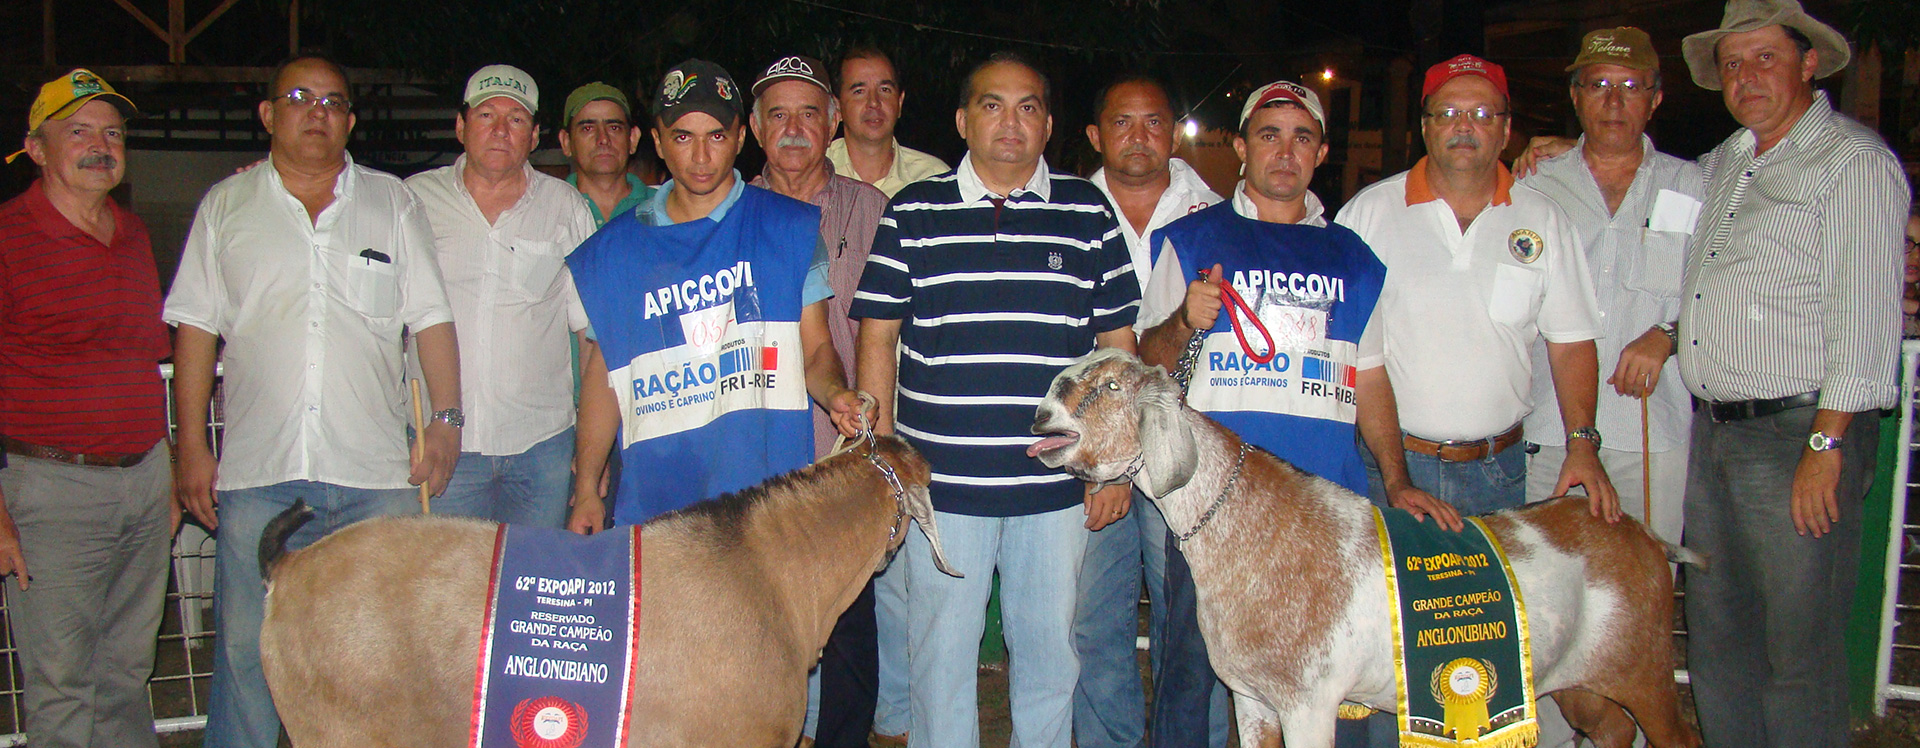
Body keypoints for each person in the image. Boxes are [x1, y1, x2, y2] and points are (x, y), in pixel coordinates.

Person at [165, 56, 462, 748]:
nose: (317, 111)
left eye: (333, 101)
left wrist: (446, 423)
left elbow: (431, 318)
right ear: (269, 114)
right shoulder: (225, 208)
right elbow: (196, 331)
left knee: (386, 662)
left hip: (375, 481)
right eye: (299, 97)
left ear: (351, 121)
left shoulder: (392, 202)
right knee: (247, 660)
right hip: (258, 476)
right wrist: (189, 445)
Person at [1135, 80, 1438, 748]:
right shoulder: (1189, 241)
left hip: (1327, 514)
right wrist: (1185, 321)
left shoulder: (1354, 259)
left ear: (1322, 151)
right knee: (1192, 676)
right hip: (1212, 511)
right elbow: (1145, 366)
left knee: (1326, 686)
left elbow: (1371, 376)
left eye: (1302, 137)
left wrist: (1398, 478)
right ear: (1241, 146)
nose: (1284, 151)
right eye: (1268, 135)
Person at [851, 52, 1140, 748]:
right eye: (992, 105)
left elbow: (1116, 345)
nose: (1010, 123)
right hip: (941, 487)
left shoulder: (1086, 211)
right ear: (961, 120)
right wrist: (883, 462)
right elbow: (878, 338)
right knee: (939, 657)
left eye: (1028, 107)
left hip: (1054, 489)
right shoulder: (915, 212)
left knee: (1049, 656)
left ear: (1047, 126)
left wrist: (1114, 464)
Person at [1674, 1, 1909, 744]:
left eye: (1765, 58)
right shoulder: (1723, 165)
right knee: (1718, 642)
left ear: (1809, 63)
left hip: (1800, 436)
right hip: (1715, 437)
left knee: (1798, 653)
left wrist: (1826, 448)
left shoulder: (1853, 164)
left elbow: (1870, 324)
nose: (1746, 77)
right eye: (1733, 64)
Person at [563, 58, 862, 533]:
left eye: (716, 136)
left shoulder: (787, 229)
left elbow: (816, 347)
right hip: (661, 499)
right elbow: (604, 374)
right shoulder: (616, 252)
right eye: (683, 136)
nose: (701, 156)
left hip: (768, 496)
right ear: (658, 141)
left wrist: (836, 394)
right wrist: (585, 491)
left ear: (741, 137)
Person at [1513, 28, 1704, 748]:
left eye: (1630, 86)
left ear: (1656, 97)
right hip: (1549, 433)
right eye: (1597, 84)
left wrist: (1672, 332)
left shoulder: (1697, 185)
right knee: (1549, 613)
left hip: (1655, 438)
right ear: (1574, 97)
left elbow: (1722, 287)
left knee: (1634, 623)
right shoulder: (1532, 185)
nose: (1613, 100)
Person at [1335, 54, 1617, 522]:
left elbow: (1571, 345)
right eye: (1447, 113)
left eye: (1482, 114)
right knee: (1394, 596)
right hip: (1387, 470)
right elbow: (1349, 354)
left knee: (1492, 598)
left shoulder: (1544, 219)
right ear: (1425, 128)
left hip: (1498, 473)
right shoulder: (1367, 215)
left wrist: (1583, 444)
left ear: (1507, 132)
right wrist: (1392, 475)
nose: (1463, 126)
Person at [0, 69, 172, 748]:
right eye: (79, 132)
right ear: (36, 149)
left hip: (142, 479)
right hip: (51, 487)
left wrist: (162, 472)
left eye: (112, 132)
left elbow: (141, 359)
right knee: (62, 684)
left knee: (126, 673)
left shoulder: (131, 234)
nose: (100, 144)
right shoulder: (8, 236)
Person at [744, 54, 891, 748]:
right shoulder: (730, 215)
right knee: (758, 613)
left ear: (832, 121)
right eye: (778, 114)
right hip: (754, 449)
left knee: (851, 614)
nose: (795, 128)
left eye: (809, 112)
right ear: (753, 127)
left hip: (845, 445)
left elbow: (892, 335)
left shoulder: (875, 211)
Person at [1073, 73, 1221, 748]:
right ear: (1095, 135)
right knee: (1094, 621)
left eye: (1154, 122)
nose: (1139, 137)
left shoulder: (1214, 215)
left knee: (1188, 624)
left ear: (1175, 131)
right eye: (1122, 123)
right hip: (1093, 452)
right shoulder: (1065, 209)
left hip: (1179, 453)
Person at [405, 65, 595, 527]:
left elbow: (593, 336)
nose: (499, 130)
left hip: (542, 450)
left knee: (533, 590)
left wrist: (591, 460)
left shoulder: (565, 206)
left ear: (533, 137)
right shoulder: (411, 200)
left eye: (516, 119)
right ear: (461, 125)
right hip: (442, 442)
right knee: (448, 594)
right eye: (487, 114)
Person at [828, 47, 949, 198]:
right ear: (837, 106)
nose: (874, 102)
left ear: (900, 102)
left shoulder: (933, 179)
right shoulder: (815, 170)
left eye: (884, 90)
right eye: (859, 91)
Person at [559, 81, 656, 226]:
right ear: (566, 142)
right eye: (587, 128)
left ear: (633, 139)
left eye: (614, 128)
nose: (603, 139)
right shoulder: (548, 208)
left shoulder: (664, 208)